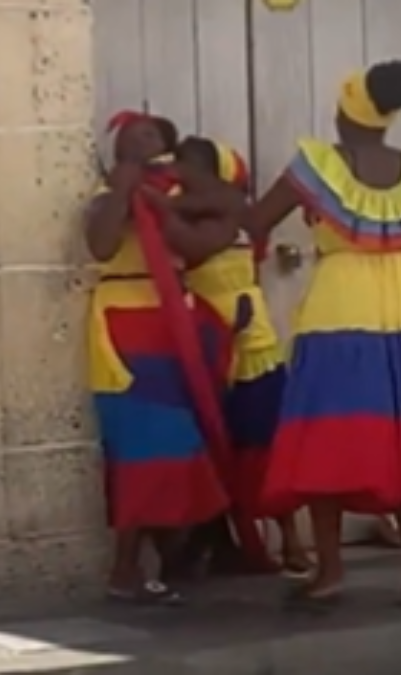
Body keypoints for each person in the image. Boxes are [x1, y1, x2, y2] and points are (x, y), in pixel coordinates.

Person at [248, 60, 401, 610]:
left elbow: (258, 220)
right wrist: (392, 245)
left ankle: (330, 571)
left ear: (344, 115)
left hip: (340, 307)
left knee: (327, 435)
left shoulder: (317, 164)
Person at [85, 113, 237, 604]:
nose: (138, 136)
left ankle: (169, 559)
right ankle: (126, 568)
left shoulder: (178, 195)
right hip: (124, 326)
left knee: (179, 445)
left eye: (150, 132)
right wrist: (124, 190)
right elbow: (102, 245)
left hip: (173, 323)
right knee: (143, 447)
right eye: (129, 133)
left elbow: (225, 211)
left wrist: (161, 199)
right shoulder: (103, 195)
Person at [162, 136, 313, 578]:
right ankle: (228, 541)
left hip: (254, 342)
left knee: (266, 444)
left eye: (188, 168)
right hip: (206, 342)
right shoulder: (184, 216)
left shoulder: (234, 211)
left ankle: (290, 539)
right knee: (216, 447)